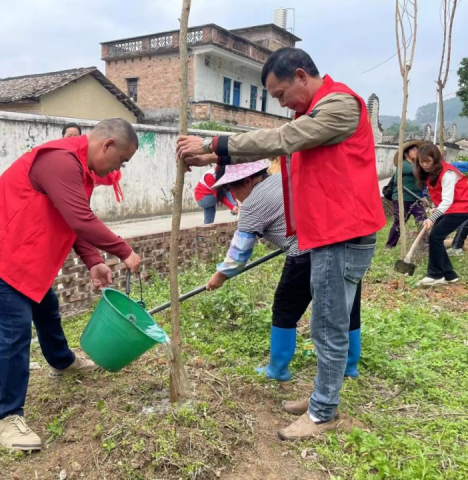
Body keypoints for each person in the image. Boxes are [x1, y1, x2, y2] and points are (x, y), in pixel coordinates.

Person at [177, 47, 385, 440]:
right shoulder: (314, 112)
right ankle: (324, 396)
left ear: (302, 76)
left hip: (341, 233)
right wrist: (212, 160)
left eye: (280, 94)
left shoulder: (340, 106)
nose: (281, 103)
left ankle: (323, 412)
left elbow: (284, 139)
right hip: (328, 232)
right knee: (328, 321)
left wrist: (215, 145)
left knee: (328, 325)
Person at [0, 118, 142, 451]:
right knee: (15, 329)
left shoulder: (80, 168)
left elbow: (71, 218)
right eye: (120, 162)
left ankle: (62, 362)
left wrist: (94, 261)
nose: (117, 170)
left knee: (47, 308)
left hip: (20, 257)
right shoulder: (60, 160)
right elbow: (79, 218)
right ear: (108, 146)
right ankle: (4, 418)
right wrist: (122, 250)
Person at [205, 160, 363, 382]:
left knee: (284, 308)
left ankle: (278, 369)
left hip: (308, 253)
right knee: (347, 306)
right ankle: (350, 366)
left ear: (249, 181)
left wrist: (219, 276)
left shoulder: (252, 204)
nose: (233, 195)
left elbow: (239, 253)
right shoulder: (284, 179)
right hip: (347, 243)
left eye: (233, 188)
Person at [413, 143, 468, 287]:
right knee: (436, 238)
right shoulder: (430, 174)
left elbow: (447, 200)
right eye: (422, 162)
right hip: (450, 208)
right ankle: (449, 275)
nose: (425, 165)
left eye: (428, 161)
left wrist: (431, 218)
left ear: (436, 159)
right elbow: (441, 197)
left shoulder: (448, 173)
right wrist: (436, 208)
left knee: (435, 237)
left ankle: (435, 275)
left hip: (461, 208)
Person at [62, 123, 124, 203]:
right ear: (63, 137)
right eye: (69, 136)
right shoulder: (57, 155)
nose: (73, 139)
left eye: (76, 136)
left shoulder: (87, 156)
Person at [386, 140, 426, 248]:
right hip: (403, 198)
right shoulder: (404, 164)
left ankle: (425, 245)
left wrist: (424, 196)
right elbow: (420, 171)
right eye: (413, 150)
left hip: (416, 199)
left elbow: (423, 181)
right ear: (406, 154)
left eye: (417, 150)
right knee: (399, 223)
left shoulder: (416, 164)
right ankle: (390, 245)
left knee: (423, 221)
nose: (416, 151)